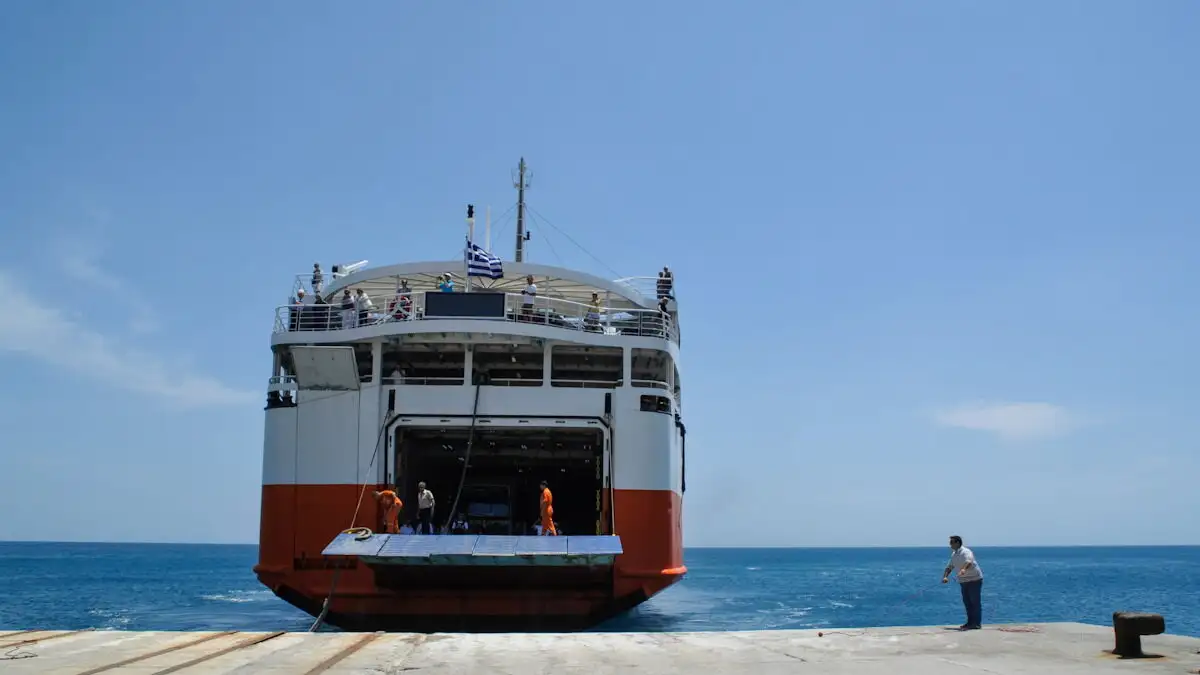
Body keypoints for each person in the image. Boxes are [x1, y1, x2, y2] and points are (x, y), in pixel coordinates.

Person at [942, 535, 984, 630]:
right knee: (967, 602)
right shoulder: (954, 554)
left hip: (974, 579)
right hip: (963, 581)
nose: (950, 545)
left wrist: (963, 569)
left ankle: (976, 624)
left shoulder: (966, 552)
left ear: (957, 543)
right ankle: (970, 623)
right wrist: (945, 576)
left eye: (951, 542)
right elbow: (950, 566)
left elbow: (969, 562)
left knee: (975, 602)